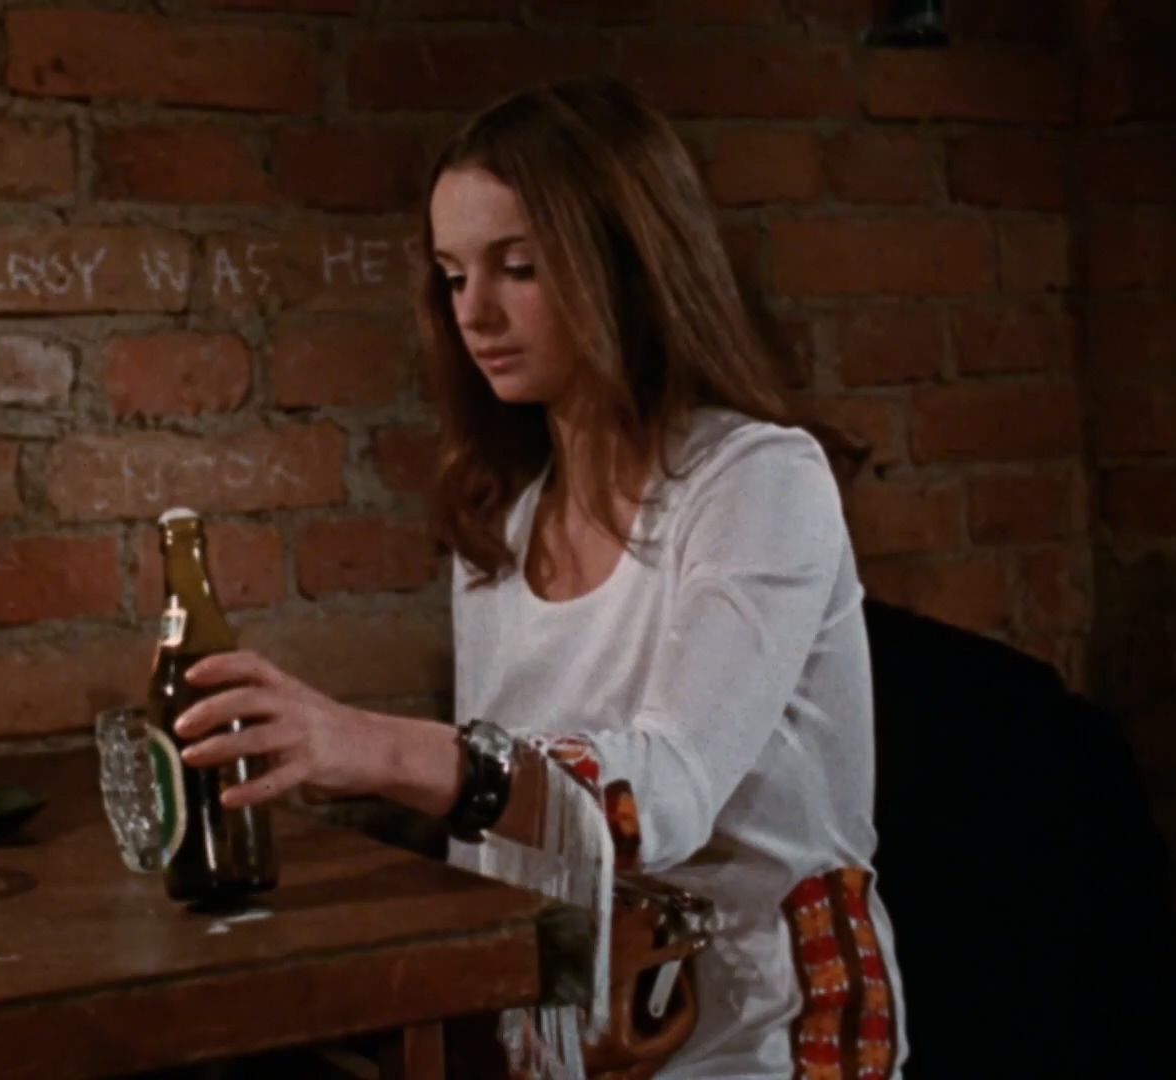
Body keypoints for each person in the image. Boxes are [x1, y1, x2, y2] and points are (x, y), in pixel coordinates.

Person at [172, 77, 907, 1079]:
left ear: (629, 263)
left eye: (517, 268)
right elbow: (504, 851)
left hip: (758, 1045)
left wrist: (369, 746)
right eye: (451, 276)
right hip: (574, 1044)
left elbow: (666, 794)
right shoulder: (508, 523)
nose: (474, 313)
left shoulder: (760, 479)